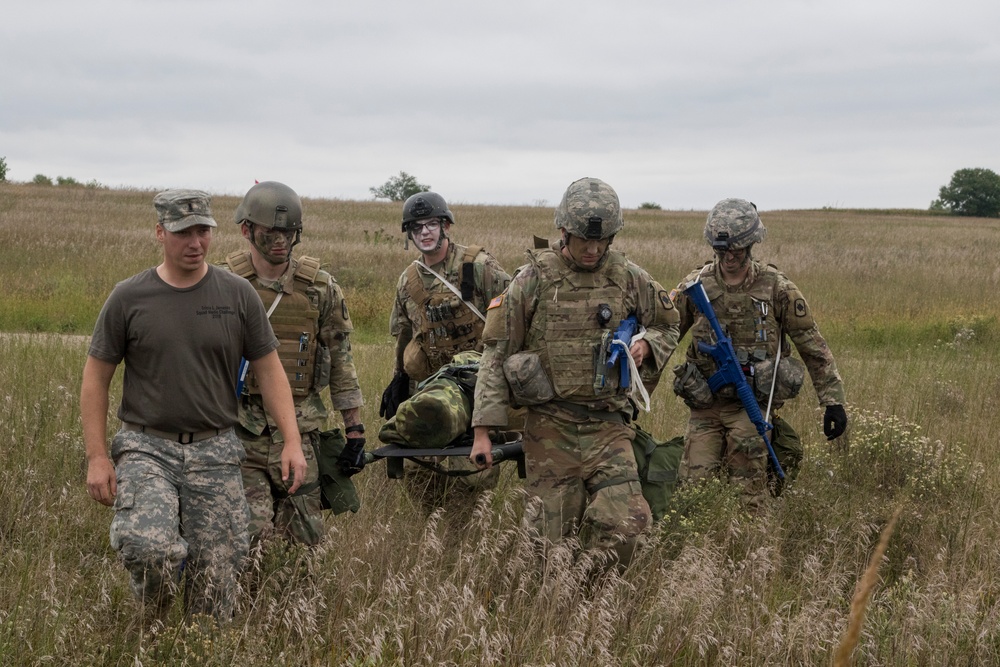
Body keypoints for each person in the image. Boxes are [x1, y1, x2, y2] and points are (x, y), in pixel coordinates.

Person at [82, 189, 306, 624]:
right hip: (147, 449)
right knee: (150, 549)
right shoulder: (129, 298)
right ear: (160, 232)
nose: (195, 243)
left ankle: (198, 646)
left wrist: (291, 441)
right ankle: (155, 624)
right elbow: (96, 378)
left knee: (217, 580)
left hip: (216, 451)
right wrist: (96, 457)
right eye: (184, 232)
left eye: (203, 231)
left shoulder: (237, 295)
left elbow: (270, 370)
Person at [470, 177, 680, 566]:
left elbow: (670, 323)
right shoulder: (532, 279)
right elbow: (496, 355)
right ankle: (552, 608)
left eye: (603, 241)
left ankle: (591, 594)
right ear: (564, 231)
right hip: (551, 428)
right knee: (545, 547)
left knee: (630, 526)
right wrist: (483, 432)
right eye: (585, 239)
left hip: (609, 427)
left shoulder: (629, 277)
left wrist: (647, 345)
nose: (594, 249)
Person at [671, 198, 847, 508]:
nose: (729, 257)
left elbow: (811, 344)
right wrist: (635, 390)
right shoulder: (695, 286)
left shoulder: (777, 288)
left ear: (752, 244)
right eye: (722, 250)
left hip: (751, 405)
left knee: (748, 491)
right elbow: (664, 334)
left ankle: (750, 549)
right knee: (693, 489)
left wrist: (832, 401)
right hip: (705, 405)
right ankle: (696, 552)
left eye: (737, 250)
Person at [220, 181, 365, 547]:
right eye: (271, 232)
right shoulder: (222, 285)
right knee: (248, 539)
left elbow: (341, 364)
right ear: (247, 230)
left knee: (304, 544)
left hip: (301, 433)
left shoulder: (320, 288)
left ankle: (295, 604)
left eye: (289, 232)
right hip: (241, 429)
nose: (281, 241)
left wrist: (355, 431)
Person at [383, 191, 512, 498]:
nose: (424, 232)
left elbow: (513, 314)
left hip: (474, 389)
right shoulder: (408, 280)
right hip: (428, 389)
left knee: (471, 480)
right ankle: (431, 540)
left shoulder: (479, 267)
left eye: (430, 224)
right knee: (420, 476)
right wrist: (398, 380)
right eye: (416, 227)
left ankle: (463, 541)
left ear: (446, 226)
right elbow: (405, 334)